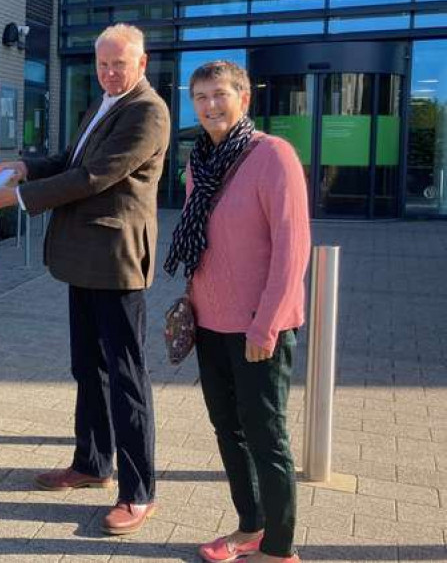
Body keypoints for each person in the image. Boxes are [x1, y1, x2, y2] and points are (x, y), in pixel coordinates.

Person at [0, 23, 170, 536]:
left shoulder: (147, 112)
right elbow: (70, 160)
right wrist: (23, 167)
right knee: (88, 367)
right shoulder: (102, 103)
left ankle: (139, 492)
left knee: (127, 379)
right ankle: (92, 463)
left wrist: (15, 199)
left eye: (119, 64)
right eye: (103, 64)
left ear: (141, 63)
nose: (109, 72)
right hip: (83, 263)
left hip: (115, 264)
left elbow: (94, 177)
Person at [164, 61, 310, 563]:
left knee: (267, 437)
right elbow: (203, 237)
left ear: (244, 98)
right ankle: (251, 527)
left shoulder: (274, 156)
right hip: (209, 321)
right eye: (200, 96)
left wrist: (266, 324)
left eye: (220, 94)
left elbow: (293, 250)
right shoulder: (198, 161)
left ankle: (280, 548)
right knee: (228, 429)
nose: (209, 105)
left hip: (256, 326)